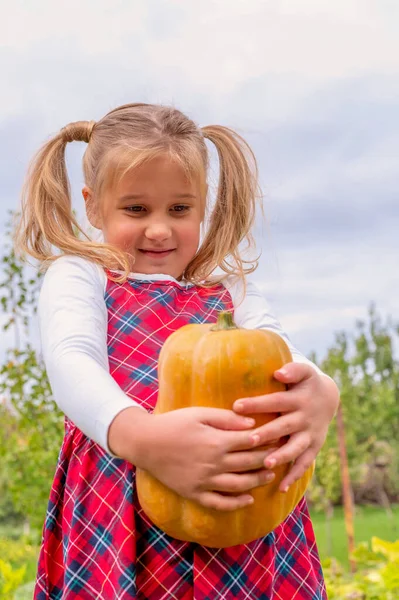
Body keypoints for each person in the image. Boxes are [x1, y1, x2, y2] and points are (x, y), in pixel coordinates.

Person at [16, 103, 339, 599]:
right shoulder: (83, 276)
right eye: (136, 209)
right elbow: (71, 360)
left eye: (180, 209)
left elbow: (285, 354)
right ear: (94, 205)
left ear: (203, 204)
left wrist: (324, 391)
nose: (160, 229)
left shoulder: (231, 293)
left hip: (243, 512)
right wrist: (141, 437)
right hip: (126, 511)